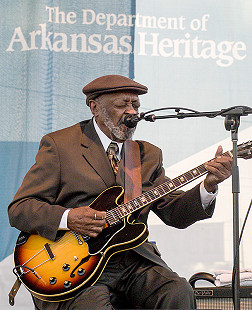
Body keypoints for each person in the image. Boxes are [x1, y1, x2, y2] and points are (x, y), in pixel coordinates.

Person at [8, 75, 233, 310]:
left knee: (178, 291)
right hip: (73, 265)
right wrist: (69, 218)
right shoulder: (60, 145)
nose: (131, 112)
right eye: (121, 105)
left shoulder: (147, 154)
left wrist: (209, 186)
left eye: (135, 105)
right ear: (95, 107)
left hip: (133, 260)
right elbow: (20, 209)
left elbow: (174, 213)